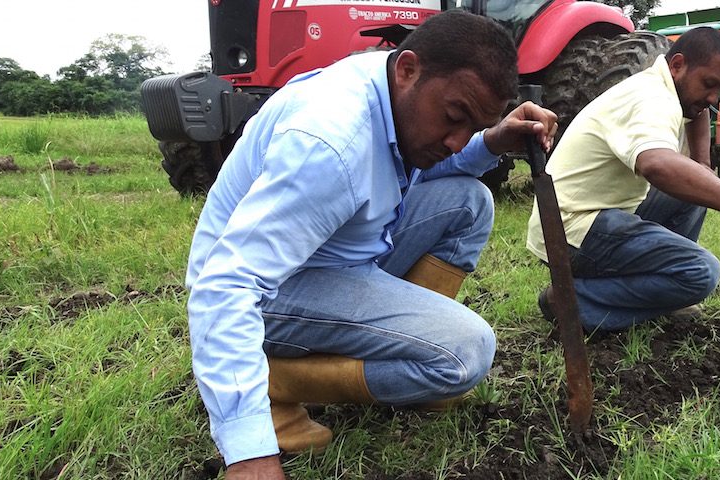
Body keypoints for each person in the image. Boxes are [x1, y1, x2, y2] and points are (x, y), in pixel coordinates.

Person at [185, 11, 558, 479]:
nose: (456, 139)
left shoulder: (390, 85)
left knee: (469, 200)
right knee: (465, 353)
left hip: (335, 250)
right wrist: (248, 452)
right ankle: (272, 381)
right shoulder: (330, 144)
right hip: (276, 289)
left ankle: (403, 355)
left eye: (472, 124)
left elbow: (426, 161)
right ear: (408, 69)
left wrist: (490, 140)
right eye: (455, 117)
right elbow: (226, 283)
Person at [526, 27, 720, 333]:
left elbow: (698, 114)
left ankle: (658, 293)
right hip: (570, 232)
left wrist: (703, 164)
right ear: (677, 65)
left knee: (697, 187)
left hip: (590, 219)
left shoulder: (667, 87)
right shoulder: (650, 98)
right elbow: (656, 165)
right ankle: (574, 302)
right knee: (700, 272)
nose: (713, 99)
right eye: (708, 84)